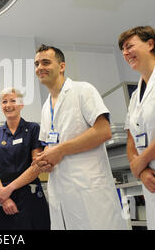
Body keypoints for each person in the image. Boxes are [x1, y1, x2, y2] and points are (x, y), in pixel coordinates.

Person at [32, 45, 126, 230]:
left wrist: (61, 150)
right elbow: (49, 146)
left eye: (45, 62)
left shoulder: (82, 90)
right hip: (61, 191)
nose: (39, 67)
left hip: (89, 189)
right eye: (36, 64)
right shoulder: (45, 107)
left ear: (61, 66)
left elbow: (103, 131)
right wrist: (44, 158)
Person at [118, 26, 155, 229]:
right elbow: (131, 139)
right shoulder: (135, 96)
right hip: (152, 182)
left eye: (129, 46)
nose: (125, 53)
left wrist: (140, 162)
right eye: (122, 50)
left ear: (150, 44)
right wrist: (141, 172)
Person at [0, 88, 50, 230]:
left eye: (13, 100)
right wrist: (4, 197)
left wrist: (10, 188)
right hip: (2, 195)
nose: (8, 105)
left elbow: (36, 165)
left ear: (21, 104)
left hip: (29, 194)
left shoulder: (33, 129)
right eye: (4, 101)